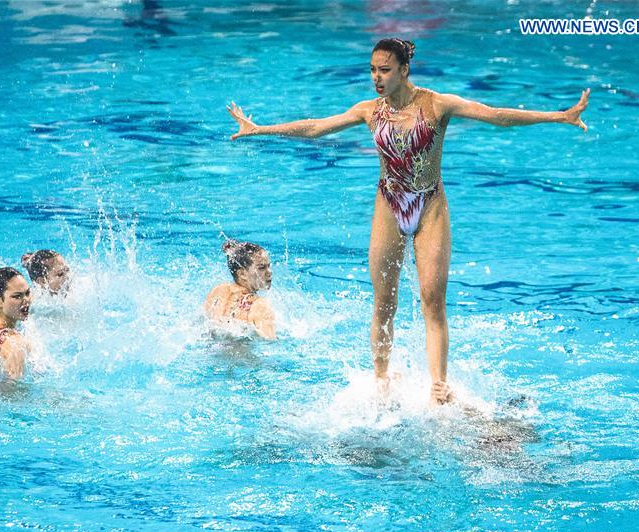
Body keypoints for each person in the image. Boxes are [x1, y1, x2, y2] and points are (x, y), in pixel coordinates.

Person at [227, 38, 590, 405]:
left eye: (384, 70)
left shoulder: (436, 105)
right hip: (389, 205)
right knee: (385, 301)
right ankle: (381, 378)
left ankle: (438, 383)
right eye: (372, 70)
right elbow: (318, 127)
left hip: (429, 206)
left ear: (404, 70)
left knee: (433, 299)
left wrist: (559, 116)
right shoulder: (370, 111)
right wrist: (259, 130)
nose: (377, 78)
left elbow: (496, 116)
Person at [204, 240, 276, 340]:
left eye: (269, 266)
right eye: (262, 268)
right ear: (242, 274)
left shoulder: (217, 291)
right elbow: (270, 342)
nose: (269, 272)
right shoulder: (259, 304)